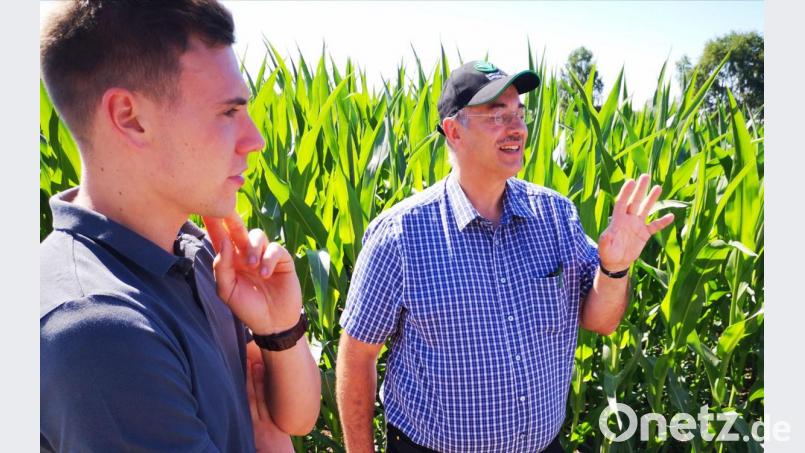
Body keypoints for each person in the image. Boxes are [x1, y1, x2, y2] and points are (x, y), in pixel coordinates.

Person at [336, 61, 675, 453]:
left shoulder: (555, 215)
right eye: (498, 116)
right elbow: (357, 355)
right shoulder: (401, 235)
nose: (517, 128)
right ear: (453, 130)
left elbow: (602, 321)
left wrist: (614, 269)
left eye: (519, 114)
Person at [39, 1, 320, 451]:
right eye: (228, 112)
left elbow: (295, 418)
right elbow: (276, 435)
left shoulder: (195, 252)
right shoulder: (100, 327)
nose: (255, 140)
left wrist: (280, 328)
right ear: (131, 117)